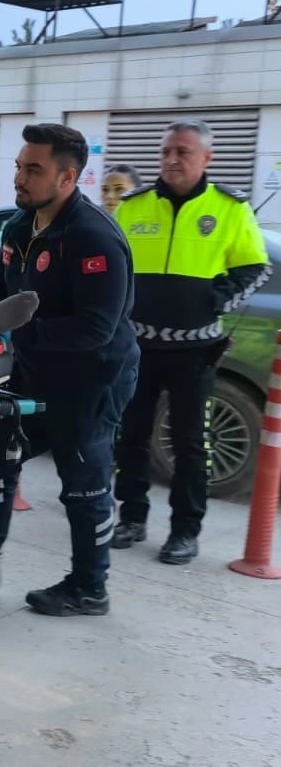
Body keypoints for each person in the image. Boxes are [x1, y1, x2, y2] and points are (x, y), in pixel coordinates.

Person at [0, 123, 139, 617]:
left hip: (91, 378)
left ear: (67, 178)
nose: (19, 177)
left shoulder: (92, 237)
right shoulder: (19, 227)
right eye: (19, 166)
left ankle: (90, 587)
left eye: (33, 169)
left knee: (83, 479)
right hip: (31, 372)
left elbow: (97, 327)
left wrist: (18, 335)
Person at [110, 118, 271, 564]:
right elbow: (113, 265)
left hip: (195, 350)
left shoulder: (230, 208)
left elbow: (254, 267)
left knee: (190, 443)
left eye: (183, 151)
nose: (172, 159)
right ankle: (131, 518)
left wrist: (214, 301)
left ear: (207, 158)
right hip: (137, 346)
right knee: (131, 437)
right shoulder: (134, 206)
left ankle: (185, 531)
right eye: (166, 151)